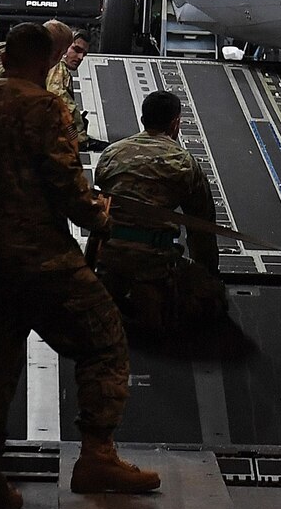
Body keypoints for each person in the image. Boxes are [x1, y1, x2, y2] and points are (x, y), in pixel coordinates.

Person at [0, 23, 158, 509]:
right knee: (104, 340)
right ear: (43, 63)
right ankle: (97, 457)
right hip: (38, 259)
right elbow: (66, 186)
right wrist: (101, 214)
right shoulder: (44, 107)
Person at [89, 90, 229, 337]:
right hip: (153, 261)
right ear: (176, 123)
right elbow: (201, 227)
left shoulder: (111, 154)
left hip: (109, 256)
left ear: (143, 119)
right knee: (214, 299)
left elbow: (102, 206)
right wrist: (208, 274)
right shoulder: (184, 163)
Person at [47, 34, 91, 144]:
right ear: (62, 47)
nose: (80, 57)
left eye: (84, 54)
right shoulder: (58, 67)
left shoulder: (51, 65)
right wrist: (79, 131)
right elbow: (59, 98)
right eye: (76, 50)